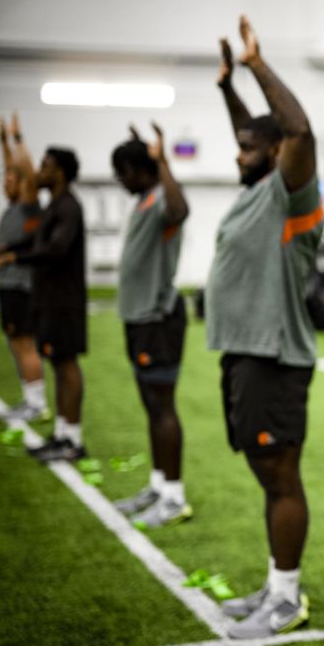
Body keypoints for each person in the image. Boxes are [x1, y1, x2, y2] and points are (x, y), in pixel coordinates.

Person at [207, 15, 324, 639]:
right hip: (244, 352)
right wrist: (228, 86)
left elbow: (295, 128)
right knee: (264, 473)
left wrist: (257, 65)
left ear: (278, 153)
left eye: (253, 147)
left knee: (279, 477)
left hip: (273, 356)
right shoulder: (256, 185)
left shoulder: (290, 192)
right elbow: (252, 135)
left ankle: (288, 599)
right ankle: (276, 586)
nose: (238, 151)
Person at [0, 125, 89, 463]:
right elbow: (36, 242)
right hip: (49, 300)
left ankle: (73, 439)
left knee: (67, 366)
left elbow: (55, 249)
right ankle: (61, 434)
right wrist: (5, 250)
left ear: (59, 171)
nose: (38, 173)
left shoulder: (69, 207)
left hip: (65, 302)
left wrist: (13, 257)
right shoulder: (54, 205)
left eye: (44, 166)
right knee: (58, 365)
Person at [109, 122, 192, 528]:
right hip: (138, 318)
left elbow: (180, 211)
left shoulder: (162, 196)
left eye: (123, 171)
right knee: (151, 407)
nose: (119, 179)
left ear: (141, 169)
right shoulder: (143, 199)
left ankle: (174, 497)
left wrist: (164, 163)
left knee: (163, 408)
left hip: (158, 319)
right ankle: (159, 486)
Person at [0, 113, 49, 422]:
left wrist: (17, 139)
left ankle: (37, 403)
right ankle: (30, 398)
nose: (6, 181)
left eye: (10, 179)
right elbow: (14, 170)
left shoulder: (29, 205)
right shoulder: (13, 208)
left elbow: (24, 173)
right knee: (16, 344)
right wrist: (2, 143)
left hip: (22, 288)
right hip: (10, 286)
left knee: (24, 344)